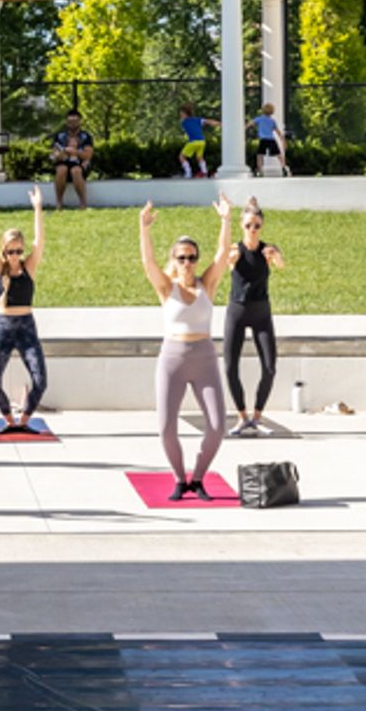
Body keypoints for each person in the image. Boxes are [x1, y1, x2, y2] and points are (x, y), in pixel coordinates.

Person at [138, 194, 234, 500]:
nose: (187, 263)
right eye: (181, 258)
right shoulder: (167, 288)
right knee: (166, 428)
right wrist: (144, 228)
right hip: (172, 360)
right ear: (174, 260)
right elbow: (148, 263)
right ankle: (180, 478)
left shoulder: (207, 284)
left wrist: (226, 220)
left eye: (192, 257)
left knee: (218, 427)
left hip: (204, 358)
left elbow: (221, 254)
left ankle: (199, 476)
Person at [0, 186, 49, 434]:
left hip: (26, 327)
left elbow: (39, 242)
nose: (15, 255)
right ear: (4, 251)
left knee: (41, 381)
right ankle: (9, 419)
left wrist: (38, 208)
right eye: (10, 251)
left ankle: (24, 420)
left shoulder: (28, 267)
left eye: (19, 251)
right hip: (3, 327)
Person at [225, 198, 286, 435]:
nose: (252, 230)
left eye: (257, 226)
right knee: (230, 366)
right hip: (237, 311)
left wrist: (276, 256)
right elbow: (226, 260)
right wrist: (231, 257)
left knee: (270, 367)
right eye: (249, 225)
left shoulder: (268, 250)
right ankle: (241, 416)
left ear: (262, 227)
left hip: (261, 311)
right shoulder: (235, 250)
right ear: (242, 225)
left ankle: (257, 416)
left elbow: (280, 264)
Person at [50, 110, 93, 210]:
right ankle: (59, 203)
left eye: (75, 121)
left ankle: (83, 204)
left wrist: (75, 151)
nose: (72, 124)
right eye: (70, 122)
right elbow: (55, 154)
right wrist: (63, 151)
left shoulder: (86, 137)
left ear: (80, 122)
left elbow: (88, 155)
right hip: (63, 163)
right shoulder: (59, 136)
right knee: (61, 170)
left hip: (80, 164)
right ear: (66, 122)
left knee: (76, 171)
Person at [178, 103, 219, 179]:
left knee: (181, 157)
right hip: (202, 141)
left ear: (184, 113)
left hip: (193, 142)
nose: (180, 115)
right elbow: (209, 122)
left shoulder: (184, 122)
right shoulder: (198, 119)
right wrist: (220, 123)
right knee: (199, 157)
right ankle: (204, 172)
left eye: (181, 113)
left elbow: (188, 125)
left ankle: (188, 173)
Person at [248, 103, 290, 177]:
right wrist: (283, 141)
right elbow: (278, 132)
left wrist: (243, 128)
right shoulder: (272, 121)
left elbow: (250, 124)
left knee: (260, 155)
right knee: (279, 155)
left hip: (263, 140)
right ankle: (283, 167)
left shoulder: (259, 119)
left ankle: (260, 170)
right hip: (271, 139)